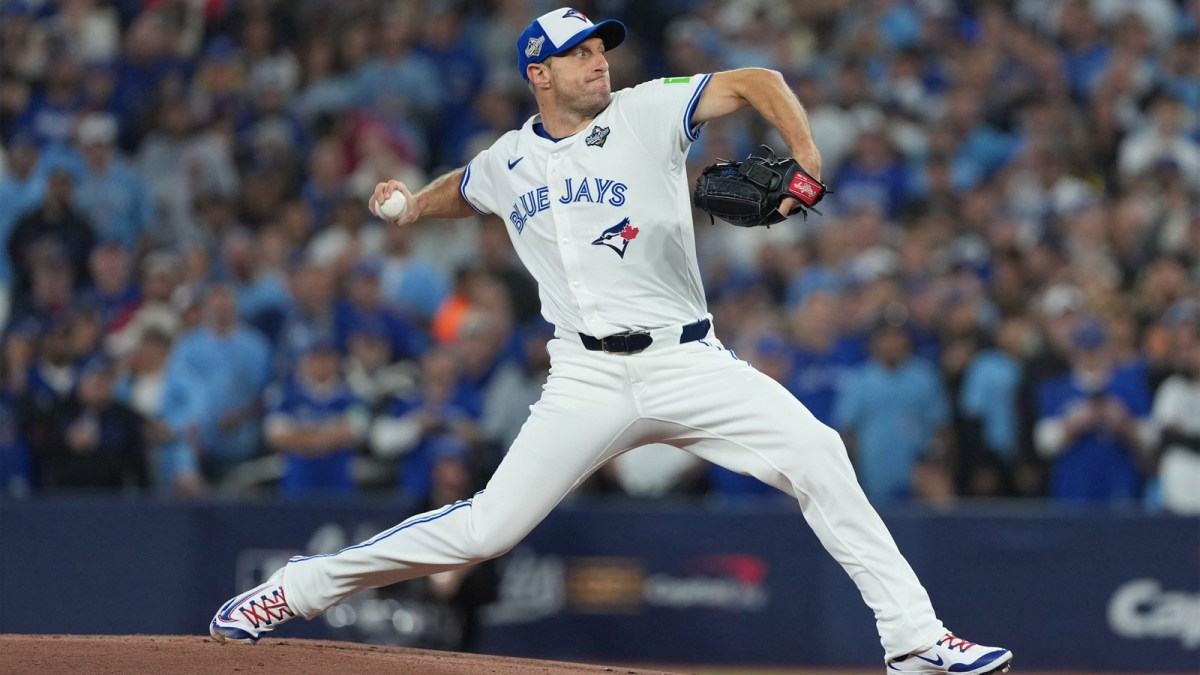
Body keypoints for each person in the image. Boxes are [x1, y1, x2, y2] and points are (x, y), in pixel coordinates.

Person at [210, 9, 1012, 673]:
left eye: (599, 49)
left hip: (686, 359)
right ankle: (299, 588)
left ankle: (913, 640)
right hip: (584, 378)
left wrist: (805, 161)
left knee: (818, 453)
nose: (597, 62)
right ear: (539, 74)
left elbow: (758, 83)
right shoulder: (510, 159)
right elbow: (469, 187)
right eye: (578, 54)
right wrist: (415, 206)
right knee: (487, 529)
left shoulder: (646, 110)